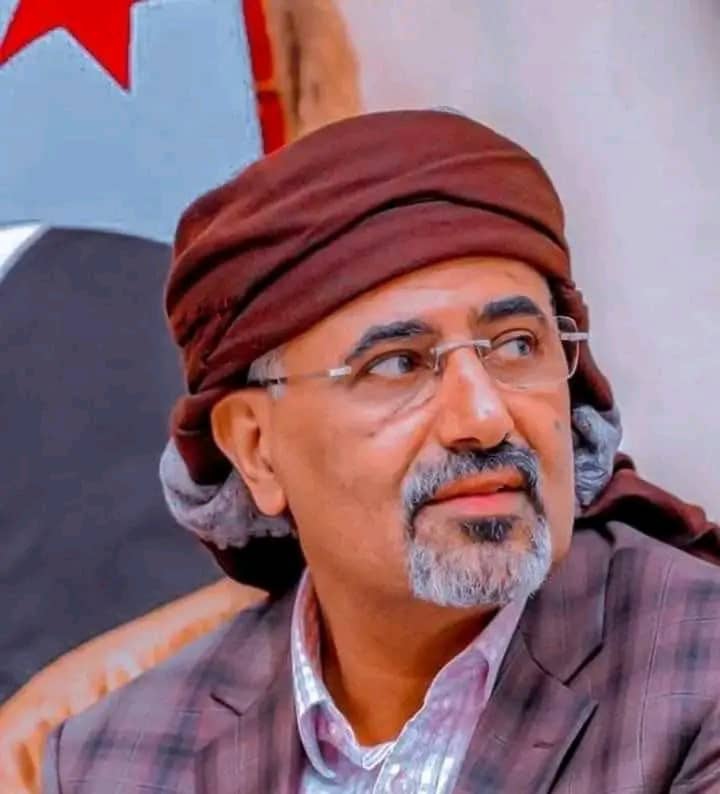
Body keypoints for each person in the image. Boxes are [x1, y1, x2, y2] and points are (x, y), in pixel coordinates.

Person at [44, 110, 720, 793]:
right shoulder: (115, 763)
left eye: (517, 346)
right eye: (398, 364)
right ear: (257, 450)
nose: (484, 418)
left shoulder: (697, 680)